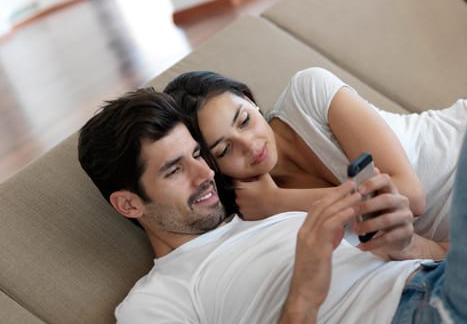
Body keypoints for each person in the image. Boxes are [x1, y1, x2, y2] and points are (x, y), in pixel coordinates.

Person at [77, 88, 467, 323]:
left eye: (199, 155)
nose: (205, 175)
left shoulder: (276, 210)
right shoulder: (158, 300)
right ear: (128, 204)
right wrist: (304, 293)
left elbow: (439, 254)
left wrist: (407, 246)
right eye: (175, 170)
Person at [164, 67, 467, 259]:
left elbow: (409, 197)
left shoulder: (308, 93)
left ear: (249, 99)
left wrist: (280, 201)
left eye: (244, 120)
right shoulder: (254, 213)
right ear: (213, 168)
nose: (250, 145)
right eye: (224, 149)